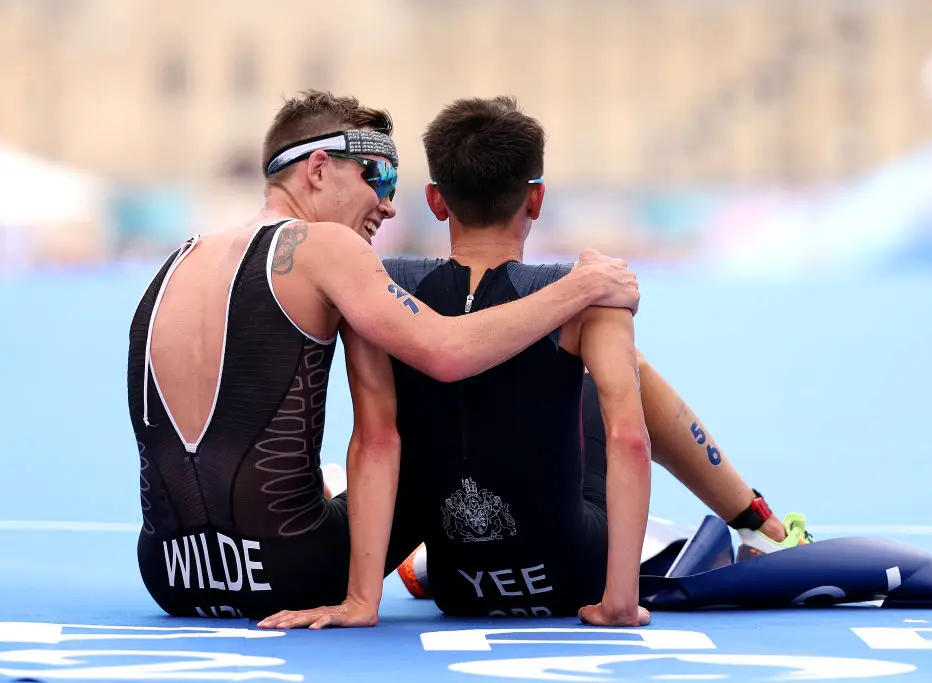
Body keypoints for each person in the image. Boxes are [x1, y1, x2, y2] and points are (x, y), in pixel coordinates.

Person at [255, 96, 811, 631]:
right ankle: (757, 521)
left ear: (435, 201)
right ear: (537, 200)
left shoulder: (386, 282)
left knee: (420, 418)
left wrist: (361, 598)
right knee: (613, 376)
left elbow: (375, 438)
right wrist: (619, 600)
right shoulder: (587, 290)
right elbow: (630, 442)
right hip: (573, 578)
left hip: (459, 585)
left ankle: (426, 553)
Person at [125, 90, 640, 622]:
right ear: (319, 169)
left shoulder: (180, 258)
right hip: (291, 572)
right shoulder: (328, 246)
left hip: (168, 573)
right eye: (380, 177)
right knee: (433, 429)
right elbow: (443, 354)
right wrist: (580, 288)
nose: (388, 203)